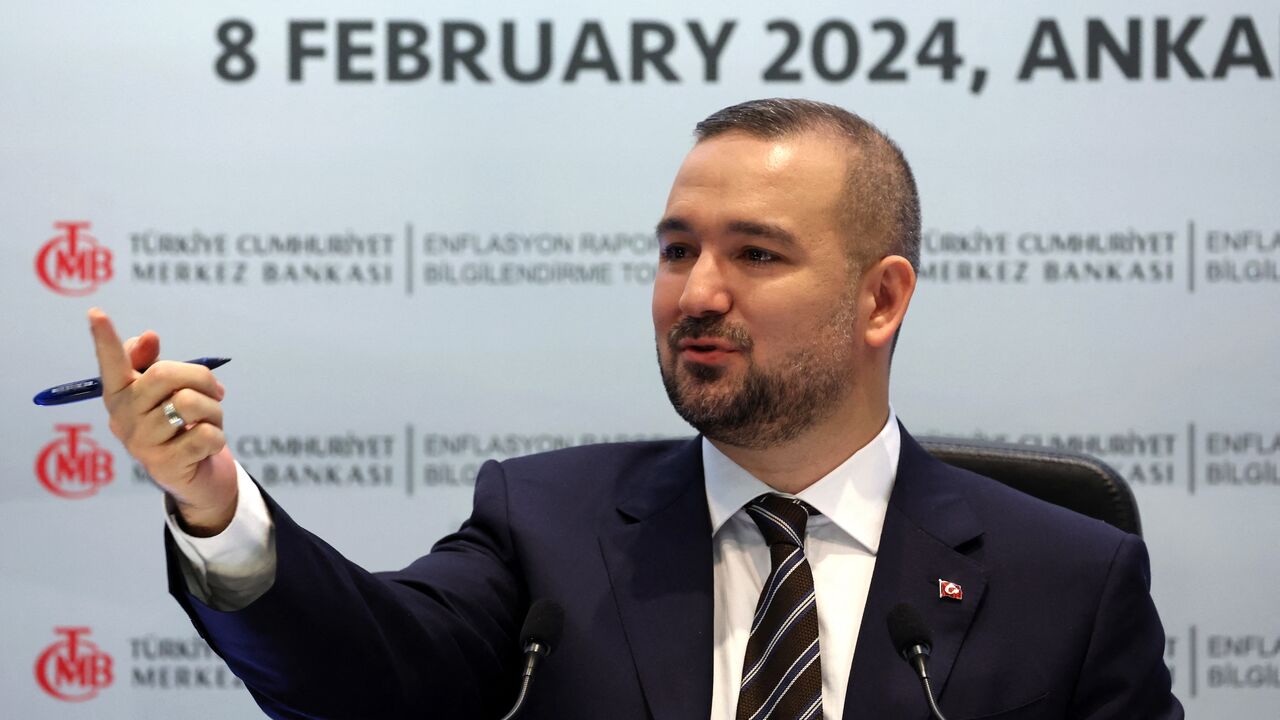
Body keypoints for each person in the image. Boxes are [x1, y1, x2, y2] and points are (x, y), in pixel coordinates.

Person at [90, 99, 1183, 719]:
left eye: (755, 253)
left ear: (879, 298)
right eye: (676, 251)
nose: (696, 293)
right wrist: (214, 506)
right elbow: (370, 681)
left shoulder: (1070, 583)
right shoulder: (547, 523)